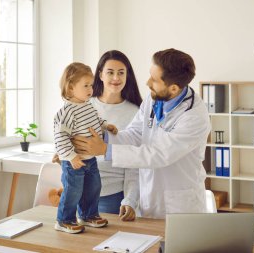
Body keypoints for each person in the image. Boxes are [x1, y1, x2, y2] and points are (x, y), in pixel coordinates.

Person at [72, 48, 211, 219]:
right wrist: (103, 137)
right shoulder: (154, 99)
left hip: (180, 206)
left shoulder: (194, 117)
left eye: (154, 79)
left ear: (174, 88)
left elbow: (158, 155)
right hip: (149, 199)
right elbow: (135, 134)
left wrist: (106, 150)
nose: (147, 82)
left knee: (176, 245)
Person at [53, 62, 117, 234]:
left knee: (93, 187)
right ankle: (64, 220)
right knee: (73, 191)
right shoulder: (67, 112)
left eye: (91, 85)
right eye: (86, 85)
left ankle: (88, 215)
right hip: (74, 162)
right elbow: (60, 136)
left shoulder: (88, 105)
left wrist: (106, 126)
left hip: (91, 159)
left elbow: (95, 122)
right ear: (71, 87)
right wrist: (71, 157)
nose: (91, 89)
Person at [90, 50, 142, 221]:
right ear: (100, 75)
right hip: (80, 191)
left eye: (121, 73)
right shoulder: (84, 105)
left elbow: (134, 165)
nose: (116, 78)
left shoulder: (135, 113)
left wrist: (130, 200)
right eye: (110, 72)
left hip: (112, 197)